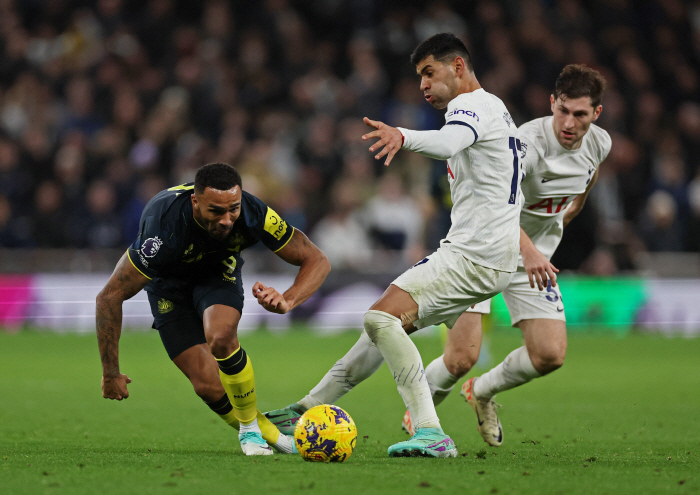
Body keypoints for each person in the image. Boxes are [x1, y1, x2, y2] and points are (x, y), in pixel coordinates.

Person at [266, 32, 536, 458]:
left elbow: (448, 143)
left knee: (379, 319)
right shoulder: (499, 109)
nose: (424, 84)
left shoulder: (469, 106)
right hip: (494, 254)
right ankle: (309, 407)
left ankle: (430, 432)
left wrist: (403, 136)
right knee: (388, 327)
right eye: (419, 77)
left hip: (473, 253)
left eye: (430, 72)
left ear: (459, 67)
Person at [402, 64, 611, 447]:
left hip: (534, 261)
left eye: (580, 114)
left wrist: (558, 224)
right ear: (552, 103)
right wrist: (529, 249)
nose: (568, 122)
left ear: (596, 114)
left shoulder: (600, 143)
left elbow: (584, 184)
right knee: (460, 358)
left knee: (549, 355)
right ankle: (422, 413)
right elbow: (497, 204)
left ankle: (481, 391)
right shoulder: (525, 144)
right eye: (562, 110)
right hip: (484, 249)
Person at [96, 162, 330, 456]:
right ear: (195, 201)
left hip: (217, 272)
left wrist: (289, 299)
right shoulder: (162, 227)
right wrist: (110, 373)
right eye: (216, 211)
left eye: (233, 208)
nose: (227, 219)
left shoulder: (253, 213)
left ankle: (249, 432)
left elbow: (317, 259)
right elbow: (108, 297)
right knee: (206, 384)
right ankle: (270, 433)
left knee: (219, 336)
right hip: (168, 286)